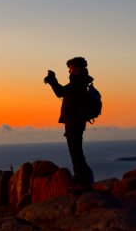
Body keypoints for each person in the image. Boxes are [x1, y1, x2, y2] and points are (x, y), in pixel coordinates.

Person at [44, 57, 95, 190]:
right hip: (75, 121)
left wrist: (52, 80)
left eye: (71, 68)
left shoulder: (78, 82)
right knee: (76, 151)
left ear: (77, 68)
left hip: (74, 122)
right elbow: (62, 92)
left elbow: (60, 92)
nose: (69, 71)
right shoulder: (80, 81)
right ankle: (81, 178)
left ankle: (82, 181)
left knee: (75, 152)